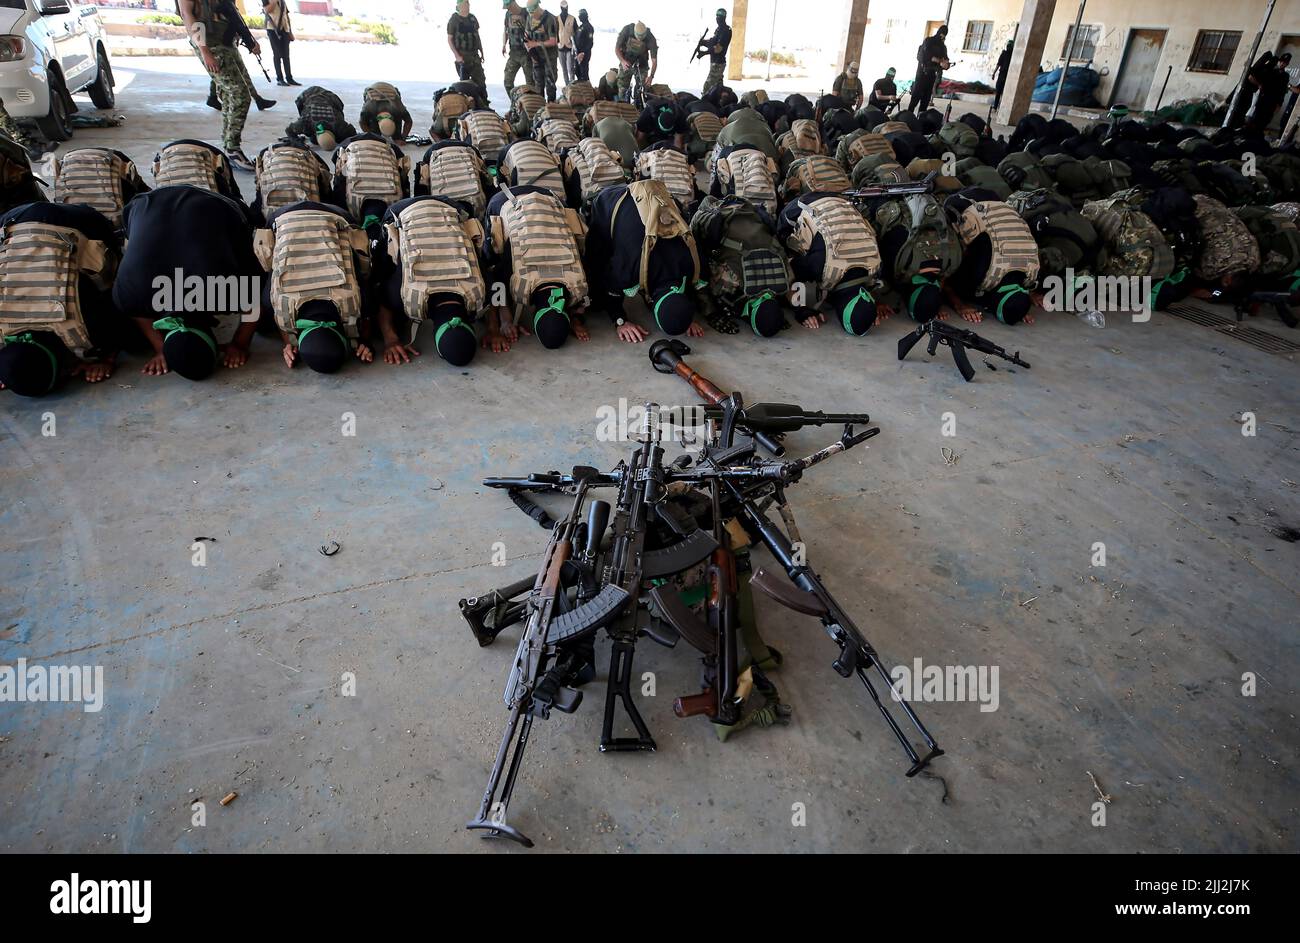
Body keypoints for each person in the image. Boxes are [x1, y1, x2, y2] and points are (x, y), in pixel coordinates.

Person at [112, 185, 262, 378]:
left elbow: (255, 304)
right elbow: (136, 312)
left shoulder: (223, 293)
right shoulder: (132, 296)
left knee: (252, 253)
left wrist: (240, 344)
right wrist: (160, 348)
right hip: (143, 206)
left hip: (216, 204)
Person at [0, 202, 121, 395]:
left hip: (74, 222)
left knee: (110, 264)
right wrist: (8, 370)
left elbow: (113, 298)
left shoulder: (85, 326)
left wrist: (103, 359)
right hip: (10, 220)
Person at [258, 200, 375, 371]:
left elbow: (368, 314)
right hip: (286, 216)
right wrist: (289, 342)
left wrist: (364, 340)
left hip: (336, 216)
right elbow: (280, 316)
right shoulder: (273, 304)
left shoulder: (359, 301)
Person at [586, 180, 706, 342]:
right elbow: (611, 288)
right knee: (596, 288)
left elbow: (685, 295)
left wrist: (683, 315)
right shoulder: (629, 269)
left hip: (656, 202)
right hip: (613, 200)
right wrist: (620, 321)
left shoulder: (694, 265)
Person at [374, 195, 486, 366]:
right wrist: (391, 340)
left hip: (448, 208)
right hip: (401, 211)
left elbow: (493, 296)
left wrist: (496, 329)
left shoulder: (478, 291)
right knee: (381, 264)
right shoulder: (406, 294)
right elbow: (382, 303)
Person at [481, 184, 591, 351]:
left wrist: (573, 320)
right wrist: (504, 320)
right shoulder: (519, 275)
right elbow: (494, 277)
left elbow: (569, 301)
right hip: (504, 202)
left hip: (551, 199)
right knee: (492, 255)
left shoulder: (578, 282)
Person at [777, 191, 889, 333]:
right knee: (783, 244)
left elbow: (861, 285)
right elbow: (787, 275)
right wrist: (801, 310)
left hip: (842, 202)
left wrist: (870, 307)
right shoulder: (821, 266)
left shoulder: (875, 266)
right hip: (801, 205)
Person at [178, 0, 267, 172]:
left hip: (227, 43)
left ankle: (228, 145)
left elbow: (231, 12)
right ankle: (233, 148)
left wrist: (248, 38)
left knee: (229, 96)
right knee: (240, 95)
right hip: (212, 46)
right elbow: (188, 16)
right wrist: (205, 51)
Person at [690, 195, 791, 337]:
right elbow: (699, 278)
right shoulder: (731, 280)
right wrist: (711, 313)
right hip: (717, 219)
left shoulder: (782, 277)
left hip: (746, 211)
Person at [942, 189, 1039, 325]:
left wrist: (1019, 307)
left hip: (996, 200)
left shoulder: (1031, 273)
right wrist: (960, 306)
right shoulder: (981, 273)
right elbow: (946, 282)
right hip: (959, 202)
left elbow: (1017, 289)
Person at [284, 86, 357, 150]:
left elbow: (353, 134)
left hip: (329, 97)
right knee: (313, 139)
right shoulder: (305, 123)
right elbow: (289, 130)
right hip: (307, 95)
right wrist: (296, 141)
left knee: (340, 136)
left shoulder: (340, 126)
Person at [447, 1, 487, 98]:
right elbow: (450, 39)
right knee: (465, 86)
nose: (467, 6)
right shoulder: (454, 20)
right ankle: (467, 108)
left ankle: (484, 106)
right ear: (459, 6)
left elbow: (477, 37)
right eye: (465, 4)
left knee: (481, 83)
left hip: (474, 56)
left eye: (468, 4)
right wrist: (457, 56)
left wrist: (481, 51)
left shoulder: (472, 18)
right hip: (462, 57)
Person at [1226, 51, 1273, 131]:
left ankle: (1232, 128)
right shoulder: (1258, 67)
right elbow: (1250, 77)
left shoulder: (1261, 68)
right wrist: (1259, 85)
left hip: (1246, 93)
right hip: (1243, 92)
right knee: (1236, 112)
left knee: (1239, 113)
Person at [908, 24, 950, 114]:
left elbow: (945, 59)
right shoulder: (928, 41)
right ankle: (908, 117)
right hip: (922, 73)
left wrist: (946, 64)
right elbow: (927, 56)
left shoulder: (942, 47)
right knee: (915, 98)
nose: (942, 36)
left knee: (925, 100)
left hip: (932, 75)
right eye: (942, 34)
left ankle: (920, 119)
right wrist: (940, 61)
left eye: (944, 35)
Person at [524, 1, 560, 102]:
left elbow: (553, 41)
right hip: (536, 56)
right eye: (529, 13)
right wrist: (531, 53)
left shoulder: (550, 18)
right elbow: (526, 38)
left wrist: (535, 44)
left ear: (538, 8)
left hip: (549, 57)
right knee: (538, 84)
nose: (531, 15)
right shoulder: (529, 18)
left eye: (532, 12)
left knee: (550, 84)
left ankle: (551, 105)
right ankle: (540, 107)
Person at [615, 21, 659, 103]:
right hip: (626, 60)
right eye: (638, 37)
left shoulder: (651, 38)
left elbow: (654, 61)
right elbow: (617, 49)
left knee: (642, 87)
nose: (640, 39)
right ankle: (622, 104)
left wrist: (651, 76)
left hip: (642, 63)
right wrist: (622, 61)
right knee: (622, 86)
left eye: (642, 37)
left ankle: (638, 104)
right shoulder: (627, 30)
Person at [1249, 53, 1292, 132]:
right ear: (1279, 61)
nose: (1282, 64)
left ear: (1287, 64)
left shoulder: (1285, 76)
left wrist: (1279, 104)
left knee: (1266, 120)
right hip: (1263, 97)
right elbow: (1257, 74)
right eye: (1281, 61)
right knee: (1256, 118)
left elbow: (1282, 91)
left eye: (1285, 63)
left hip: (1273, 101)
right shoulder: (1270, 69)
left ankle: (1256, 136)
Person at [262, 0, 297, 87]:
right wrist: (273, 2)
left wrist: (290, 32)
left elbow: (286, 15)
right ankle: (280, 79)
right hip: (272, 29)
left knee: (286, 55)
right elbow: (267, 10)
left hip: (285, 30)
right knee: (277, 54)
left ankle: (289, 78)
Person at [699, 9, 732, 96]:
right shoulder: (719, 29)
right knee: (718, 87)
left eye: (719, 17)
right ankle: (720, 104)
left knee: (708, 86)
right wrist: (703, 42)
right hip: (715, 62)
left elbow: (718, 49)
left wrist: (704, 53)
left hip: (718, 63)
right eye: (716, 16)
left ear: (724, 18)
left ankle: (704, 105)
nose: (717, 18)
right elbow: (713, 42)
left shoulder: (725, 30)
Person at [502, 0, 530, 95]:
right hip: (513, 53)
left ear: (513, 3)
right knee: (507, 82)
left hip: (526, 54)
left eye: (509, 7)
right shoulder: (508, 15)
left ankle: (531, 105)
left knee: (531, 84)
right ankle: (515, 104)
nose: (508, 9)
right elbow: (506, 31)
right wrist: (503, 44)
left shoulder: (526, 13)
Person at [557, 2, 577, 86]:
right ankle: (567, 87)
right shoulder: (556, 18)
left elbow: (576, 33)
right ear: (560, 8)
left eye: (566, 8)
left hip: (569, 47)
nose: (565, 9)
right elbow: (554, 33)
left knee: (570, 68)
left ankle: (572, 86)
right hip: (560, 47)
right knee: (564, 69)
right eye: (563, 8)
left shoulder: (572, 18)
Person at [992, 38, 1014, 111]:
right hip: (1006, 75)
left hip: (1005, 75)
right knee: (1002, 92)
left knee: (1000, 92)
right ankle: (998, 107)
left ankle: (997, 107)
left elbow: (998, 64)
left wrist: (994, 73)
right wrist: (994, 73)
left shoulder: (1006, 54)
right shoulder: (1011, 55)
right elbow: (999, 64)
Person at [573, 8, 594, 82]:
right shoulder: (581, 26)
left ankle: (586, 88)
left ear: (585, 16)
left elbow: (590, 43)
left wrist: (583, 53)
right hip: (577, 53)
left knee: (584, 73)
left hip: (584, 54)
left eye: (580, 15)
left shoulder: (589, 27)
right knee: (577, 71)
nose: (579, 17)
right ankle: (580, 88)